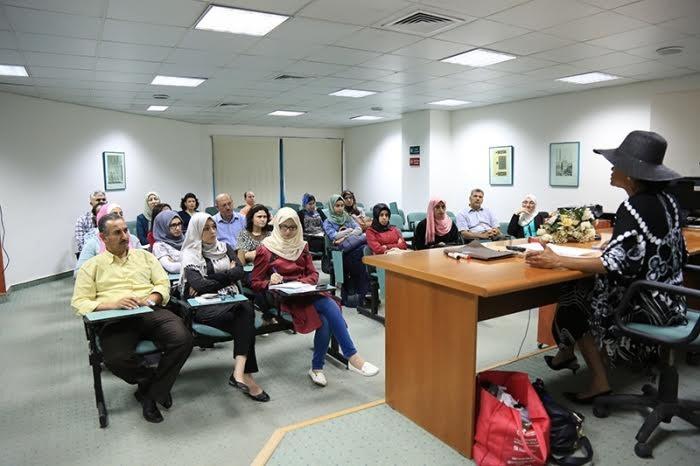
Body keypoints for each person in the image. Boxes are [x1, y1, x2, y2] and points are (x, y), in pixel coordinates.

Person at [525, 130, 687, 404]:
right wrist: (613, 246)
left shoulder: (633, 207)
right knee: (578, 286)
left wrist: (558, 260)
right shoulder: (668, 201)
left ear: (632, 174)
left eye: (617, 163)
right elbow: (654, 249)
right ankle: (566, 353)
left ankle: (598, 380)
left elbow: (614, 264)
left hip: (645, 305)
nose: (612, 167)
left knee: (574, 297)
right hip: (672, 299)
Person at [72, 212, 193, 423]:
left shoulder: (144, 257)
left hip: (150, 311)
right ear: (103, 238)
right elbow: (79, 302)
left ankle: (152, 395)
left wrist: (152, 299)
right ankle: (149, 380)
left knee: (183, 338)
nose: (124, 236)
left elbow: (162, 283)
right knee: (115, 359)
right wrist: (113, 304)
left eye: (125, 231)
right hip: (116, 318)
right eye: (117, 232)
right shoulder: (92, 266)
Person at [251, 208, 379, 387]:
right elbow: (255, 282)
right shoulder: (266, 249)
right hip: (283, 298)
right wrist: (270, 281)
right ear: (277, 227)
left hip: (304, 292)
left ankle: (321, 367)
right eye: (284, 227)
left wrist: (301, 282)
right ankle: (345, 359)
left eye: (293, 228)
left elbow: (313, 274)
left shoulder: (302, 246)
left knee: (326, 314)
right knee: (327, 311)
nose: (288, 232)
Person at [180, 213, 269, 402]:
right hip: (204, 306)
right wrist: (227, 274)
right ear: (196, 231)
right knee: (246, 320)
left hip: (231, 301)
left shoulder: (224, 247)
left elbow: (239, 271)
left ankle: (239, 373)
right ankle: (245, 375)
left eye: (214, 227)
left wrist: (211, 279)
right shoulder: (190, 253)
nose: (213, 231)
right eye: (206, 228)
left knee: (245, 309)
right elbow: (199, 285)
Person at [323, 194, 370, 308]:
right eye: (337, 206)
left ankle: (361, 294)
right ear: (332, 206)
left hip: (352, 249)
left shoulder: (347, 217)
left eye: (342, 205)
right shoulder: (328, 222)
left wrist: (345, 236)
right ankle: (360, 295)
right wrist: (349, 231)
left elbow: (359, 229)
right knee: (361, 256)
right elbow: (334, 236)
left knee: (363, 252)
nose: (340, 208)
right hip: (339, 253)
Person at [75, 203, 140, 272]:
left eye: (121, 214)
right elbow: (79, 272)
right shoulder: (93, 243)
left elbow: (142, 261)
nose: (119, 217)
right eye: (114, 215)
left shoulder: (133, 239)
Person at [74, 190, 106, 259]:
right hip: (90, 255)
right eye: (98, 200)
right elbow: (81, 245)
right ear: (91, 203)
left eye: (104, 199)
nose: (101, 202)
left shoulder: (113, 217)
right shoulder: (82, 220)